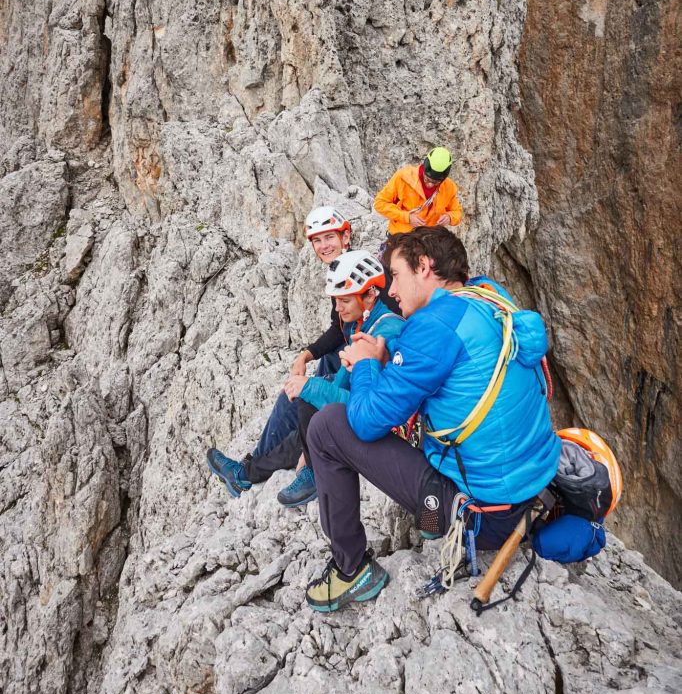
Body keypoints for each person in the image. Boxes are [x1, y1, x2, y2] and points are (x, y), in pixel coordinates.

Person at [304, 226, 561, 613]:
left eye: (397, 275)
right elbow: (446, 364)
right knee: (416, 423)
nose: (391, 290)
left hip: (485, 517)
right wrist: (389, 356)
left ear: (424, 266)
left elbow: (366, 421)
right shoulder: (487, 294)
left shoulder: (434, 326)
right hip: (532, 494)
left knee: (327, 427)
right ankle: (429, 519)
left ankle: (351, 570)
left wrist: (364, 366)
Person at [206, 205, 352, 497]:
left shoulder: (355, 272)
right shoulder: (340, 271)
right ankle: (247, 469)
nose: (324, 246)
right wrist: (305, 356)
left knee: (307, 403)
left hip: (357, 373)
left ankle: (252, 472)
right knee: (290, 395)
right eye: (317, 240)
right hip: (342, 365)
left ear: (345, 236)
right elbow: (338, 329)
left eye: (330, 238)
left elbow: (355, 332)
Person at [276, 251, 403, 507]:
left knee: (308, 398)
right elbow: (343, 382)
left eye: (344, 300)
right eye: (336, 300)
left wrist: (311, 387)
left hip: (382, 427)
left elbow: (367, 405)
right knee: (303, 396)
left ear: (370, 295)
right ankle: (291, 463)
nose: (338, 308)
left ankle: (313, 472)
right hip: (366, 412)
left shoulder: (385, 334)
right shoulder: (363, 324)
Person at [373, 147, 462, 234]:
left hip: (428, 240)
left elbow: (457, 213)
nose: (430, 185)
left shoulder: (449, 187)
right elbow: (380, 203)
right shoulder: (404, 177)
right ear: (424, 168)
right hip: (401, 236)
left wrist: (449, 217)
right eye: (426, 179)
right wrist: (407, 217)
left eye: (435, 182)